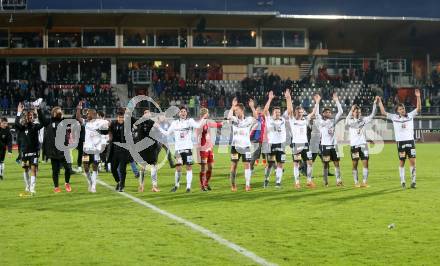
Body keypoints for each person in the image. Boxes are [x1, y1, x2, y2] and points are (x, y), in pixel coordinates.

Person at [378, 89, 421, 189]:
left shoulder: (410, 115)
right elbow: (383, 112)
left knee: (413, 161)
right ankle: (402, 181)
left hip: (410, 141)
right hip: (401, 143)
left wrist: (418, 96)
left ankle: (413, 181)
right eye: (401, 109)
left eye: (403, 108)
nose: (403, 110)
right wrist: (380, 102)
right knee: (402, 161)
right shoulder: (394, 117)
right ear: (397, 111)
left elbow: (418, 108)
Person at [156, 106, 205, 193]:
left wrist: (203, 118)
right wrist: (159, 127)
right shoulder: (175, 123)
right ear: (179, 113)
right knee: (178, 168)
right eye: (181, 111)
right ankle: (176, 185)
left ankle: (188, 187)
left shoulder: (190, 121)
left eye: (184, 111)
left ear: (186, 113)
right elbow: (167, 133)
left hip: (187, 148)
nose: (183, 113)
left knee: (188, 167)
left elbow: (198, 125)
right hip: (178, 149)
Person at [286, 90, 317, 189]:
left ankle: (309, 181)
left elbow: (313, 113)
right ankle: (297, 182)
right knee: (296, 163)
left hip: (305, 145)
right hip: (296, 145)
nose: (300, 114)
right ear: (296, 112)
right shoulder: (292, 120)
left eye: (301, 112)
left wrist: (317, 102)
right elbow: (289, 110)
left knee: (309, 162)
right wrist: (288, 98)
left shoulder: (305, 120)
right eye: (299, 112)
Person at [76, 101, 109, 193]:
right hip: (86, 149)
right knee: (86, 167)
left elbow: (108, 124)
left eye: (88, 113)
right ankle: (90, 182)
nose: (86, 115)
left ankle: (93, 186)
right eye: (86, 114)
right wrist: (78, 108)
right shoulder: (86, 122)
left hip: (96, 150)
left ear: (94, 114)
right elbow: (78, 117)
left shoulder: (100, 122)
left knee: (95, 167)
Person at [345, 98, 378, 187]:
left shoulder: (364, 120)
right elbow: (346, 120)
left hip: (363, 145)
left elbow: (372, 115)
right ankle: (356, 182)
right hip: (354, 146)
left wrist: (374, 104)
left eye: (359, 112)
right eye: (356, 112)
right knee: (355, 164)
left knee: (366, 163)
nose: (358, 113)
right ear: (353, 113)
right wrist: (351, 110)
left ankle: (364, 182)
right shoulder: (350, 121)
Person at [314, 93, 344, 187]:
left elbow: (341, 112)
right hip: (325, 146)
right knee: (326, 164)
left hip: (334, 146)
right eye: (326, 112)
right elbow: (316, 113)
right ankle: (325, 181)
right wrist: (317, 102)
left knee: (336, 163)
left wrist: (337, 101)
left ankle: (338, 181)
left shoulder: (333, 121)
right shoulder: (321, 121)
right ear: (323, 114)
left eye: (329, 112)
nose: (328, 113)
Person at [15, 102, 44, 195]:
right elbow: (16, 124)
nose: (30, 117)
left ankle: (32, 188)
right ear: (25, 117)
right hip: (25, 152)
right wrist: (18, 112)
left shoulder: (35, 126)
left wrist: (38, 112)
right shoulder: (22, 127)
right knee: (25, 169)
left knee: (33, 169)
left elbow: (43, 123)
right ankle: (27, 186)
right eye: (28, 116)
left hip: (34, 151)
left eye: (31, 116)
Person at [41, 106, 73, 193]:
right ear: (53, 113)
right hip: (53, 151)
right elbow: (42, 119)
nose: (59, 113)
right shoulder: (49, 121)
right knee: (55, 170)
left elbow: (74, 119)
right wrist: (39, 109)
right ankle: (56, 187)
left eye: (60, 111)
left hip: (63, 150)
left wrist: (78, 109)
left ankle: (67, 183)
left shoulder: (64, 121)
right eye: (57, 112)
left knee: (68, 168)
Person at [227, 97, 256, 192]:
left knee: (247, 165)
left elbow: (256, 117)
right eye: (235, 110)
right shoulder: (234, 119)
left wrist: (252, 107)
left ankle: (247, 185)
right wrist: (232, 107)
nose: (235, 112)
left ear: (242, 110)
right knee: (234, 166)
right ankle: (233, 185)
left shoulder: (248, 120)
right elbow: (228, 117)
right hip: (235, 146)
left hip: (246, 146)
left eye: (237, 110)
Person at [261, 91, 287, 188]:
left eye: (279, 112)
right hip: (271, 144)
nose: (278, 114)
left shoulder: (283, 120)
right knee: (270, 164)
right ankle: (266, 179)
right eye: (276, 112)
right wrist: (270, 99)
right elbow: (265, 110)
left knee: (280, 164)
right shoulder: (269, 119)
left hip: (281, 144)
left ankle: (278, 183)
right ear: (272, 113)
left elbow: (289, 112)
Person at [195, 108, 222, 191]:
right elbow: (197, 135)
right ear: (205, 114)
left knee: (210, 167)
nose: (208, 114)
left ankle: (206, 183)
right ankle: (202, 186)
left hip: (209, 148)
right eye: (207, 113)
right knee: (203, 167)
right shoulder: (200, 123)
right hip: (203, 148)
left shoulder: (207, 122)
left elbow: (216, 125)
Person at [108, 108, 134, 192]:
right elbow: (108, 131)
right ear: (117, 117)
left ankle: (122, 185)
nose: (120, 119)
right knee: (113, 169)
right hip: (114, 149)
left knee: (122, 169)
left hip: (124, 149)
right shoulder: (113, 124)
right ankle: (118, 181)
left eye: (122, 117)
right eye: (119, 117)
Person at [136, 108, 162, 192]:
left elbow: (158, 131)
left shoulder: (152, 123)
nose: (147, 114)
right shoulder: (140, 123)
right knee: (143, 167)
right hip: (143, 149)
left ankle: (154, 186)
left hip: (151, 148)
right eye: (145, 113)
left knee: (153, 166)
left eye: (148, 113)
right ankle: (141, 186)